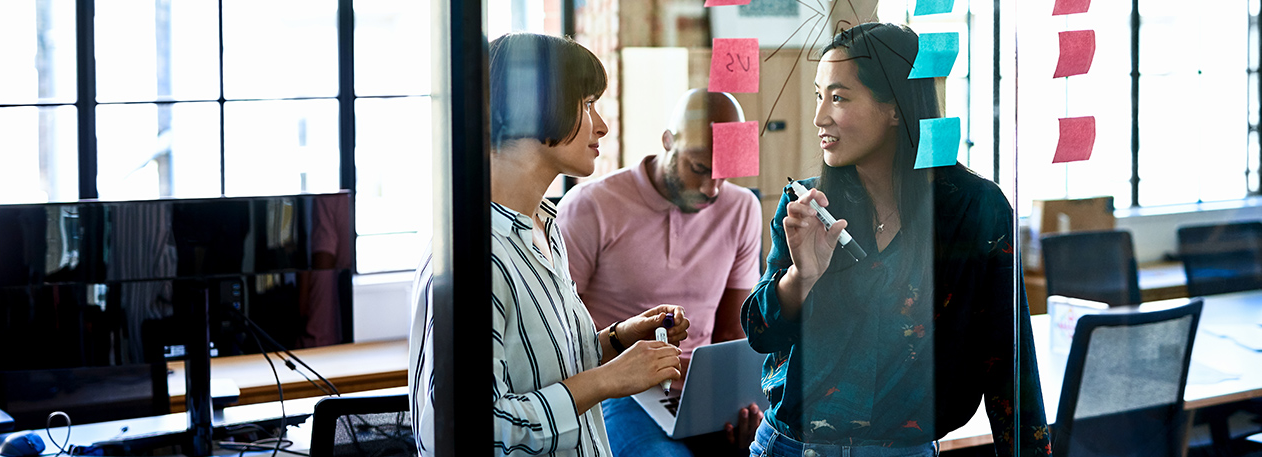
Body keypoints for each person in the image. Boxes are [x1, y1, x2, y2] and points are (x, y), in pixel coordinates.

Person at [741, 23, 1052, 456]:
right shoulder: (810, 207)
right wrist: (801, 275)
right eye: (818, 96)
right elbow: (761, 333)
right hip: (790, 447)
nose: (819, 117)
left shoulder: (974, 210)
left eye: (839, 97)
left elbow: (1008, 362)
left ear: (894, 108)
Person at [408, 32, 693, 456]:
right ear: (532, 108)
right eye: (587, 104)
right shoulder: (474, 258)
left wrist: (617, 340)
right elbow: (471, 429)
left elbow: (539, 368)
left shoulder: (545, 228)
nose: (602, 125)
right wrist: (608, 380)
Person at [556, 89, 765, 456]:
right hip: (620, 391)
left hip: (703, 392)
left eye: (724, 174)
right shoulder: (592, 206)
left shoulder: (742, 207)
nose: (711, 188)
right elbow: (559, 332)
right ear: (668, 141)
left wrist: (741, 401)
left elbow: (733, 329)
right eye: (699, 169)